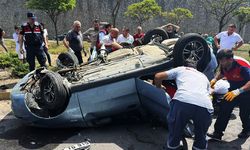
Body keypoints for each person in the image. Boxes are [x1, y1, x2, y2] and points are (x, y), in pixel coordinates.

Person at [154, 64, 213, 150]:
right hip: (205, 105)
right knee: (201, 135)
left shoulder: (181, 69)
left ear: (185, 65)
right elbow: (209, 93)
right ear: (196, 68)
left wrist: (159, 87)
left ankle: (173, 147)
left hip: (183, 101)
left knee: (175, 130)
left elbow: (158, 76)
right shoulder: (203, 76)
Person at [208, 50, 250, 140]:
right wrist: (215, 79)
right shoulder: (224, 65)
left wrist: (239, 91)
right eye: (219, 60)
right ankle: (217, 133)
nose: (220, 63)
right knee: (224, 109)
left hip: (246, 93)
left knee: (244, 114)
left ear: (230, 59)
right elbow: (222, 73)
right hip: (232, 91)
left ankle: (247, 130)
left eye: (222, 60)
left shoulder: (241, 67)